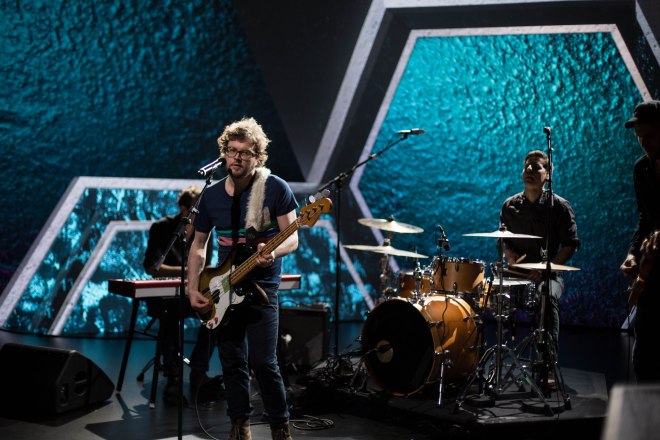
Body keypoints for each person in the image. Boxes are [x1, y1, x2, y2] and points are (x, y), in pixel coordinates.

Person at [187, 117, 299, 440]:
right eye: (231, 150)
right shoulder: (211, 196)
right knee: (232, 362)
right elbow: (198, 244)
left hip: (262, 287)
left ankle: (280, 427)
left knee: (264, 362)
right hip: (224, 286)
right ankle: (240, 426)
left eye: (245, 152)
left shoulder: (275, 188)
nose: (236, 157)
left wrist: (273, 252)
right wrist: (192, 287)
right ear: (223, 153)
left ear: (257, 157)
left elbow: (292, 236)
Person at [499, 150, 580, 359]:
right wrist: (509, 254)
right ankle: (500, 356)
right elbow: (503, 240)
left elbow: (571, 245)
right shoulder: (509, 206)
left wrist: (544, 270)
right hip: (517, 274)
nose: (529, 170)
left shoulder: (560, 206)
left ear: (548, 174)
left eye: (536, 167)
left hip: (549, 275)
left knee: (547, 294)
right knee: (495, 290)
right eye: (526, 166)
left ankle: (547, 361)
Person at [143, 185, 220, 403]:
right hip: (165, 298)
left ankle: (198, 371)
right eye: (197, 208)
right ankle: (173, 378)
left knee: (216, 312)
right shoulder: (161, 227)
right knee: (169, 315)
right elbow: (152, 267)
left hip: (190, 293)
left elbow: (204, 265)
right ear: (184, 208)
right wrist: (189, 271)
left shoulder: (205, 231)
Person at [620, 99, 660, 383]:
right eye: (639, 138)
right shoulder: (640, 169)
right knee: (644, 355)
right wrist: (632, 254)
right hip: (654, 269)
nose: (644, 143)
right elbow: (645, 219)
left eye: (650, 136)